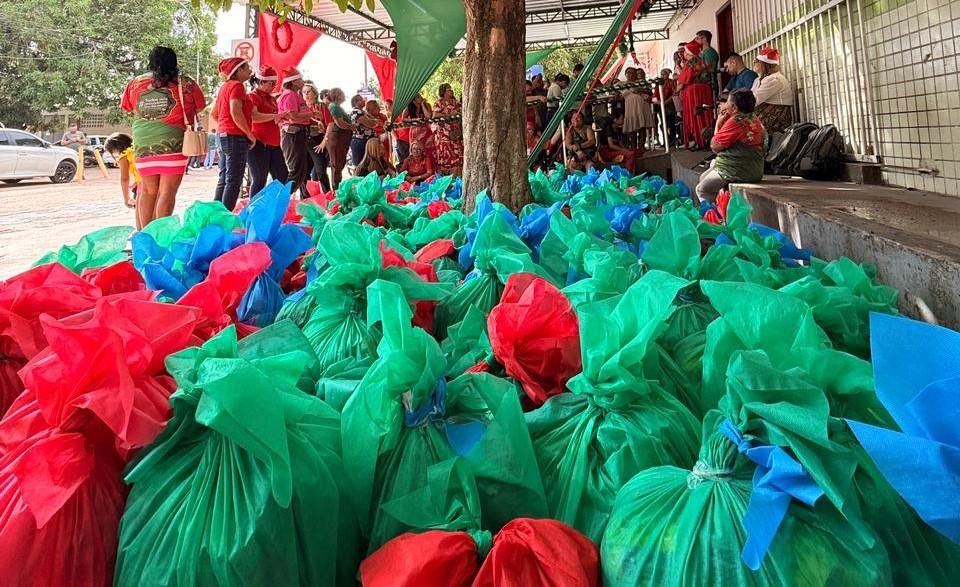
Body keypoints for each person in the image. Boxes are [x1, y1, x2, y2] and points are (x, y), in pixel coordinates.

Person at [121, 46, 206, 229]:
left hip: (143, 143)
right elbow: (200, 105)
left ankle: (147, 237)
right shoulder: (186, 83)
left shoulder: (135, 83)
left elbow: (127, 108)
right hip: (174, 142)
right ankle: (162, 237)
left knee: (147, 191)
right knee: (167, 192)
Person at [695, 89, 767, 203]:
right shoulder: (754, 118)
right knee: (703, 177)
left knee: (702, 190)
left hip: (737, 170)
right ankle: (721, 208)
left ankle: (712, 218)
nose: (724, 105)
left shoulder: (735, 121)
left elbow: (715, 147)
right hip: (755, 169)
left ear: (734, 108)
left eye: (727, 102)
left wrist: (718, 124)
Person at [211, 57, 255, 212]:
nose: (250, 70)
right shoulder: (237, 86)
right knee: (234, 180)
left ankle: (216, 213)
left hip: (222, 135)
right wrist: (249, 133)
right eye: (247, 67)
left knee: (224, 178)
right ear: (239, 70)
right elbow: (235, 111)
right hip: (235, 137)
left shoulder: (224, 87)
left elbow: (214, 114)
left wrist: (225, 125)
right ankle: (225, 217)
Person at [247, 64, 287, 198]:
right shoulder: (253, 97)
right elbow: (254, 117)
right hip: (259, 142)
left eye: (275, 83)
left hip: (274, 144)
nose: (274, 86)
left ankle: (273, 205)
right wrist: (275, 116)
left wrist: (280, 118)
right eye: (271, 83)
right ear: (261, 82)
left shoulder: (272, 99)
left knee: (282, 176)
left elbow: (272, 119)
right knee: (259, 179)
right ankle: (254, 210)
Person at [275, 66, 315, 198]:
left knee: (300, 171)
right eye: (300, 78)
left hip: (297, 134)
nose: (302, 81)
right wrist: (311, 114)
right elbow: (293, 116)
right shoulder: (289, 95)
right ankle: (281, 198)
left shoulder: (293, 95)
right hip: (293, 134)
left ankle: (285, 197)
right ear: (293, 81)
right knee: (296, 171)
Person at [677, 39, 715, 149]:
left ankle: (700, 141)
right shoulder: (701, 62)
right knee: (705, 115)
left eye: (684, 51)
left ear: (689, 53)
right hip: (703, 90)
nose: (683, 54)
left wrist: (678, 88)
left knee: (696, 116)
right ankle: (705, 140)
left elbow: (682, 83)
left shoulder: (690, 65)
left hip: (694, 92)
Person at [751, 47, 795, 133]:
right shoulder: (760, 78)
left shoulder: (774, 79)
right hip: (768, 115)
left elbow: (753, 100)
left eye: (756, 61)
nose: (754, 63)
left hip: (775, 118)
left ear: (764, 64)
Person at [324, 87, 355, 189]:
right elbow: (339, 123)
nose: (344, 96)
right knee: (336, 163)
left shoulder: (336, 107)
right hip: (337, 138)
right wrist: (351, 126)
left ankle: (336, 186)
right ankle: (335, 188)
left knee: (339, 163)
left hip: (341, 138)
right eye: (342, 94)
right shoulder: (334, 107)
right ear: (337, 96)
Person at [303, 84, 331, 191]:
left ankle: (327, 196)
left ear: (315, 94)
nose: (306, 94)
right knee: (304, 172)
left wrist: (325, 140)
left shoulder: (321, 106)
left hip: (316, 140)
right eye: (304, 92)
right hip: (303, 140)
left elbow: (330, 123)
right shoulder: (301, 106)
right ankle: (306, 197)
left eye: (308, 92)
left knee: (320, 170)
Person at [433, 83, 464, 175]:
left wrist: (459, 131)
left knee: (458, 155)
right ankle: (447, 179)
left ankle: (459, 177)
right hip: (444, 135)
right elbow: (435, 115)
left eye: (451, 89)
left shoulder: (456, 102)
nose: (451, 90)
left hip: (456, 133)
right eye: (448, 89)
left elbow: (462, 114)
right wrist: (449, 115)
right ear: (443, 92)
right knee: (446, 157)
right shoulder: (439, 103)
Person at [103, 132, 138, 211]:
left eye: (114, 152)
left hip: (142, 188)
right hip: (155, 184)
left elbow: (124, 179)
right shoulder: (138, 150)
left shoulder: (124, 155)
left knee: (142, 219)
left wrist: (126, 199)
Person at [349, 94, 379, 166]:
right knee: (360, 165)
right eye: (361, 99)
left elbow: (375, 121)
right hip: (360, 142)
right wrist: (373, 121)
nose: (364, 101)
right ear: (356, 102)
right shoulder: (356, 112)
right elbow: (370, 123)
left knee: (368, 164)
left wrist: (373, 121)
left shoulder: (363, 112)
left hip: (366, 141)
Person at [652, 68, 677, 147]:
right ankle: (666, 141)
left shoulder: (671, 82)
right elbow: (655, 95)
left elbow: (674, 93)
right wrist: (659, 102)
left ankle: (672, 140)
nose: (663, 76)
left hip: (669, 105)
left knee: (671, 123)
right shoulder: (658, 83)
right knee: (663, 124)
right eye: (661, 74)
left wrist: (666, 102)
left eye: (664, 74)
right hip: (661, 106)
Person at [406, 93, 435, 161]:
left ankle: (430, 166)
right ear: (414, 101)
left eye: (420, 96)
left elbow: (428, 116)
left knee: (429, 150)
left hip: (426, 132)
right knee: (416, 150)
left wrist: (422, 104)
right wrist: (414, 119)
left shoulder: (427, 105)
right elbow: (403, 118)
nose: (421, 97)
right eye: (418, 97)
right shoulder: (410, 107)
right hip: (414, 133)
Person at [696, 30, 720, 96]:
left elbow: (709, 68)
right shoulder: (702, 52)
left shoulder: (710, 52)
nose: (696, 41)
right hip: (703, 84)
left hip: (709, 84)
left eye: (697, 38)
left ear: (704, 39)